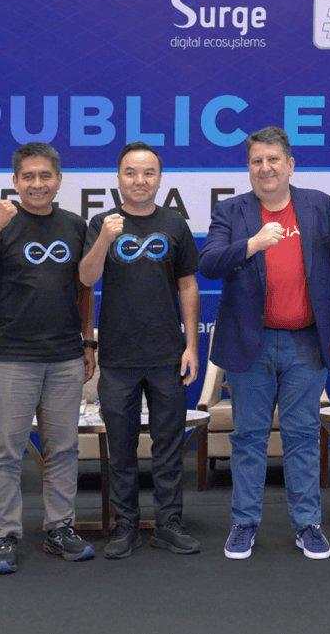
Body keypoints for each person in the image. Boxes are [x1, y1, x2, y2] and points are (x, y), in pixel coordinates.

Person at [200, 126, 330, 560]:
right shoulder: (231, 211)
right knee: (248, 437)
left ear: (290, 165)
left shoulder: (319, 206)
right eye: (257, 161)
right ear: (248, 168)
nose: (265, 168)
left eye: (273, 160)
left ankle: (308, 525)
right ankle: (244, 523)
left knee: (302, 435)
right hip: (250, 343)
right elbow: (209, 263)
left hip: (305, 342)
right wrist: (252, 244)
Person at [0, 142, 96, 574]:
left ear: (57, 180)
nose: (37, 184)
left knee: (63, 449)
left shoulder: (75, 225)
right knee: (4, 452)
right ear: (16, 181)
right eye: (28, 177)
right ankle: (3, 537)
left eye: (45, 176)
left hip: (64, 356)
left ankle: (60, 528)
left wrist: (88, 342)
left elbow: (84, 288)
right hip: (11, 356)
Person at [78, 141, 201, 559]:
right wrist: (103, 239)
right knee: (121, 446)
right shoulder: (102, 223)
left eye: (148, 173)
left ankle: (168, 524)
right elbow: (86, 277)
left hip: (167, 354)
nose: (140, 180)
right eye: (131, 172)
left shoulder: (175, 224)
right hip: (118, 355)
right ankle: (125, 525)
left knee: (168, 444)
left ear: (159, 179)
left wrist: (191, 345)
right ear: (119, 178)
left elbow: (188, 285)